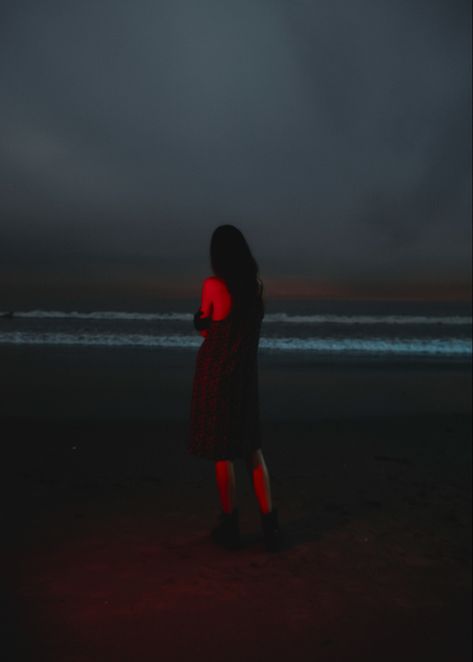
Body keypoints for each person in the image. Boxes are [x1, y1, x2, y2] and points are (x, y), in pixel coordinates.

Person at [188, 225, 282, 552]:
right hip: (244, 377)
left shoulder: (213, 285)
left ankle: (230, 525)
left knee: (222, 454)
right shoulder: (256, 288)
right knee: (252, 451)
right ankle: (270, 526)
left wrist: (200, 321)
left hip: (216, 374)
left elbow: (209, 333)